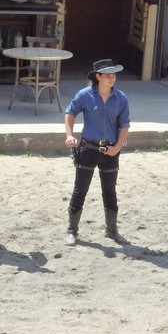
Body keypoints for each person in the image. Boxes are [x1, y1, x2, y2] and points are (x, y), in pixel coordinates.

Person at [64, 59, 130, 246]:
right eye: (108, 75)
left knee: (110, 191)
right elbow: (70, 113)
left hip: (111, 150)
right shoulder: (84, 95)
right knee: (80, 190)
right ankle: (72, 230)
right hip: (88, 149)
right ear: (98, 76)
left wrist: (117, 147)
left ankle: (112, 230)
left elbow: (124, 125)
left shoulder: (121, 98)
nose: (112, 78)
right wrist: (69, 135)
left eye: (114, 74)